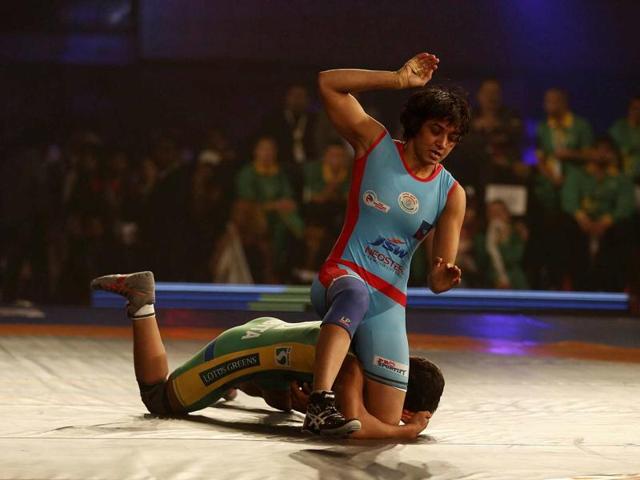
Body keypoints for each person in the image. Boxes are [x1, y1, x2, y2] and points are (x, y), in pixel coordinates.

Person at [304, 52, 470, 435]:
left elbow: (436, 276)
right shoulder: (375, 145)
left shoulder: (451, 193)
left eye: (451, 137)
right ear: (415, 127)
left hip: (389, 303)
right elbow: (328, 81)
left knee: (381, 416)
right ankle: (318, 401)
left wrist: (443, 278)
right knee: (355, 297)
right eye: (435, 131)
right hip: (342, 276)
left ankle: (334, 375)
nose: (442, 143)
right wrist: (396, 80)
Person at [90, 271, 444, 440]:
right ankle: (142, 301)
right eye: (405, 415)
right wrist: (407, 431)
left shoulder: (368, 352)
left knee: (279, 395)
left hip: (271, 337)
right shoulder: (352, 372)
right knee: (159, 398)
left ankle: (237, 384)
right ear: (407, 408)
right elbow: (354, 427)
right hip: (243, 347)